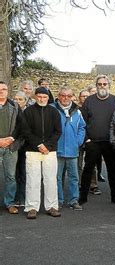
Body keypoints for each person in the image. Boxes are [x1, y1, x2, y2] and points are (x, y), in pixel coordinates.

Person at [78, 75, 115, 206]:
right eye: (100, 84)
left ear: (109, 85)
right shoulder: (89, 101)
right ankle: (83, 197)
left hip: (110, 142)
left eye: (104, 84)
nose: (102, 86)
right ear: (96, 86)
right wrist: (87, 139)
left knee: (112, 170)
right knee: (88, 169)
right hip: (93, 142)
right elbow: (82, 122)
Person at [21, 87, 62, 219]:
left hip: (49, 151)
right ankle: (32, 207)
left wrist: (47, 146)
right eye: (39, 97)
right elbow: (26, 131)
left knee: (50, 179)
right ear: (35, 97)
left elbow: (58, 131)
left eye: (44, 97)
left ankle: (52, 206)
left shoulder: (54, 112)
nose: (42, 99)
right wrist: (39, 145)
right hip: (33, 150)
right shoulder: (28, 112)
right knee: (33, 179)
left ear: (48, 98)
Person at [53, 86, 86, 210]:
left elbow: (82, 127)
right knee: (57, 177)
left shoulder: (77, 111)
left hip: (72, 150)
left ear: (73, 97)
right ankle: (59, 200)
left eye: (68, 96)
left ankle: (74, 200)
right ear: (58, 95)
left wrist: (78, 141)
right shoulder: (52, 109)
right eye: (63, 95)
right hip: (57, 149)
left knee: (74, 177)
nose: (65, 98)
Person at [0, 81, 23, 214]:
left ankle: (9, 203)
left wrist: (11, 139)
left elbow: (20, 126)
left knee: (11, 177)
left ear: (7, 91)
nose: (1, 91)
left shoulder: (14, 106)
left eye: (4, 89)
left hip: (10, 147)